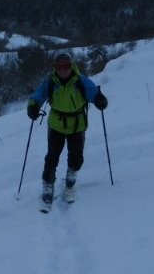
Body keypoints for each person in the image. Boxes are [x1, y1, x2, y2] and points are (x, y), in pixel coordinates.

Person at [27, 52, 108, 207]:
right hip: (56, 124)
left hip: (77, 125)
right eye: (59, 66)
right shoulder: (50, 82)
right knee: (52, 157)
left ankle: (70, 180)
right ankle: (48, 184)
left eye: (66, 65)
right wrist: (33, 106)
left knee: (76, 157)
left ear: (72, 65)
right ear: (55, 67)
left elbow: (94, 93)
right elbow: (38, 95)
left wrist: (100, 99)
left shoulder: (80, 81)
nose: (63, 69)